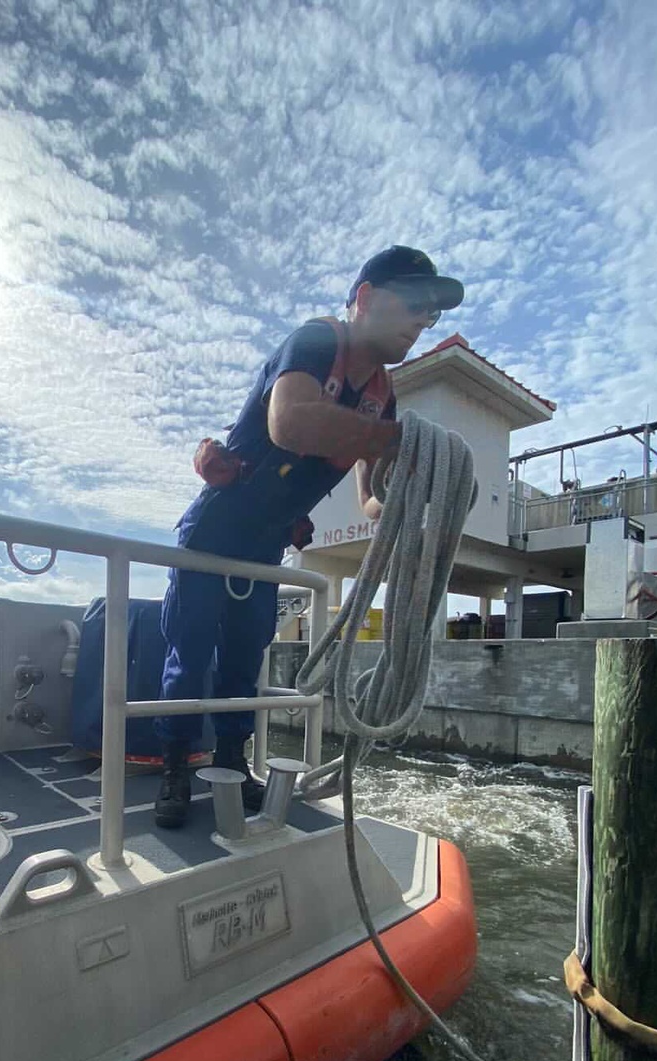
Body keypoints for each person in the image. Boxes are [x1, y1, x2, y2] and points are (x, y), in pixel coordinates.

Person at [154, 246, 465, 828]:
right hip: (209, 536)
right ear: (367, 298)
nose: (424, 321)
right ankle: (174, 768)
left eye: (434, 314)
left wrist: (409, 500)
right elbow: (290, 422)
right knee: (189, 654)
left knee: (244, 663)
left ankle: (229, 763)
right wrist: (394, 438)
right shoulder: (318, 342)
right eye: (416, 304)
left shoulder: (383, 394)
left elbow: (370, 494)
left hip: (264, 549)